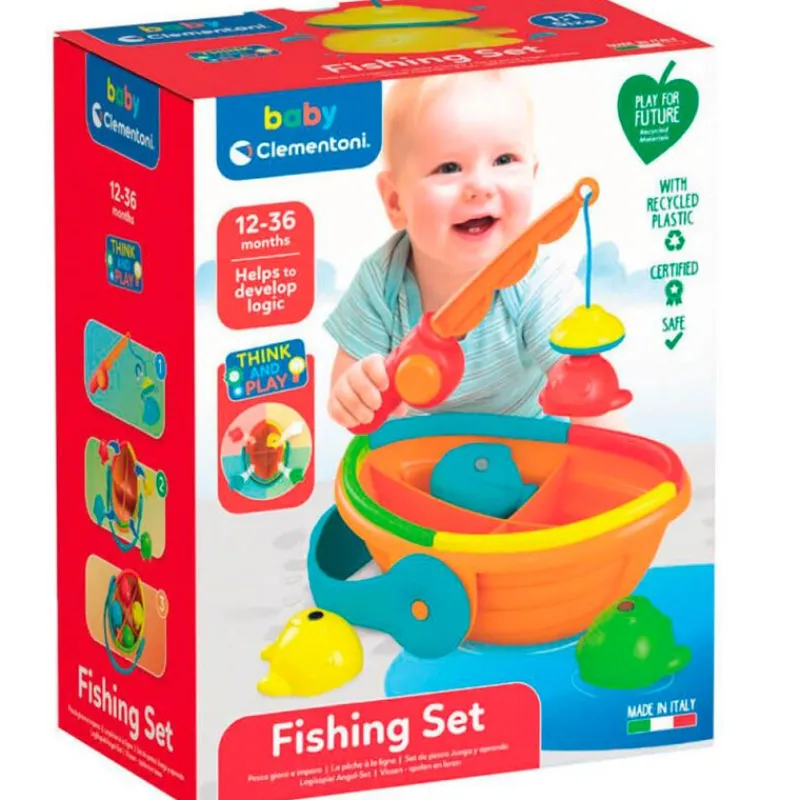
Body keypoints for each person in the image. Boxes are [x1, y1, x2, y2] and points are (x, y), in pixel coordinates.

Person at [324, 69, 582, 430]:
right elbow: (348, 395)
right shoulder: (381, 282)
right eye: (449, 168)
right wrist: (355, 395)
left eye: (504, 160)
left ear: (533, 174)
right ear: (396, 201)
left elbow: (586, 391)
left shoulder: (538, 281)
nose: (481, 186)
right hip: (416, 451)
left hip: (529, 447)